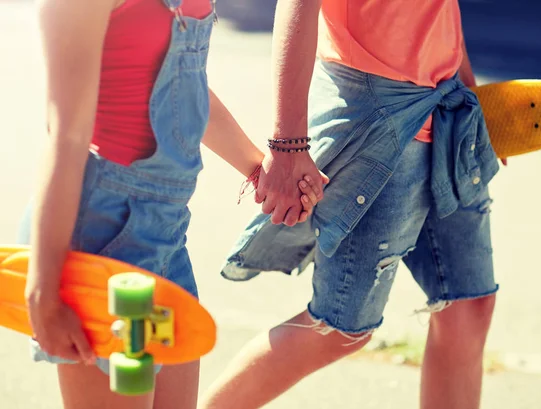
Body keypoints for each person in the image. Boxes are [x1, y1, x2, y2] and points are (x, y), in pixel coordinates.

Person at [19, 1, 325, 408]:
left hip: (167, 234)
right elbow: (66, 139)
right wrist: (42, 289)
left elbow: (188, 85)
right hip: (103, 235)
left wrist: (260, 170)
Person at [198, 0, 501, 408]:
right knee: (339, 328)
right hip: (377, 118)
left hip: (449, 111)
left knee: (469, 304)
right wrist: (288, 144)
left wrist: (476, 96)